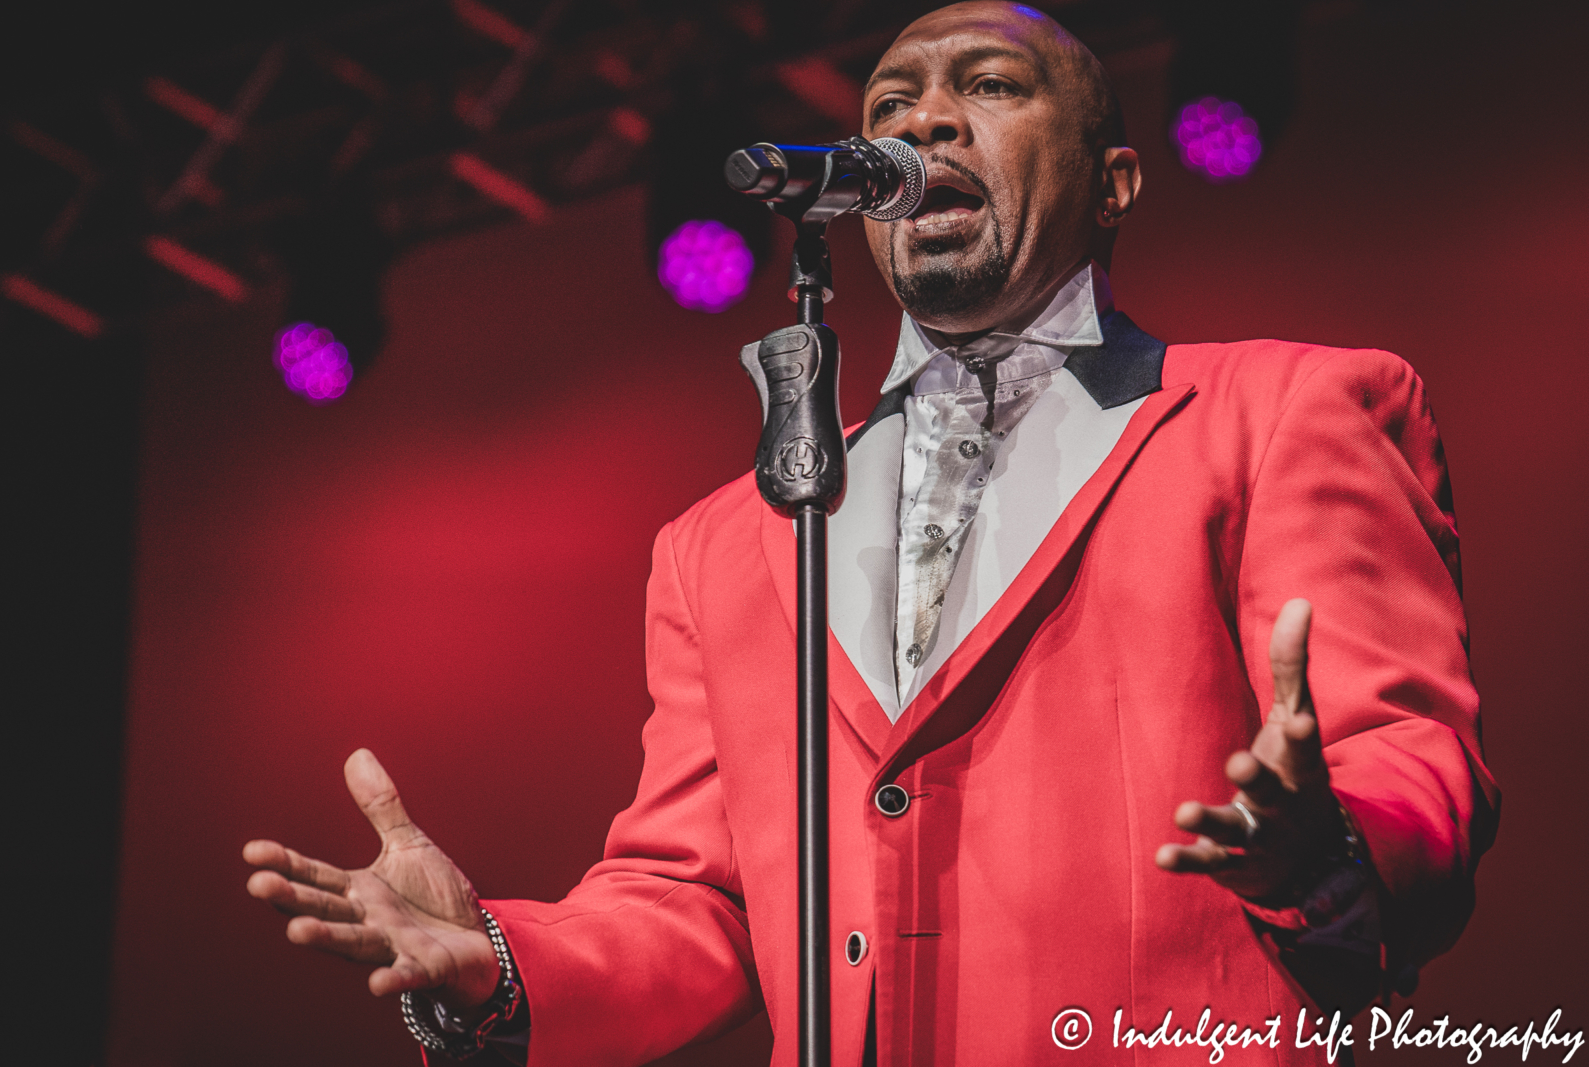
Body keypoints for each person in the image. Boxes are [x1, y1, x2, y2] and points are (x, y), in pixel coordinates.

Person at [244, 4, 1497, 1064]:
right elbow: (701, 899)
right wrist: (503, 963)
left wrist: (1326, 837)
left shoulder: (1288, 410)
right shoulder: (726, 542)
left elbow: (1408, 746)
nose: (924, 121)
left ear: (1115, 180)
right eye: (890, 102)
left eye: (989, 87)